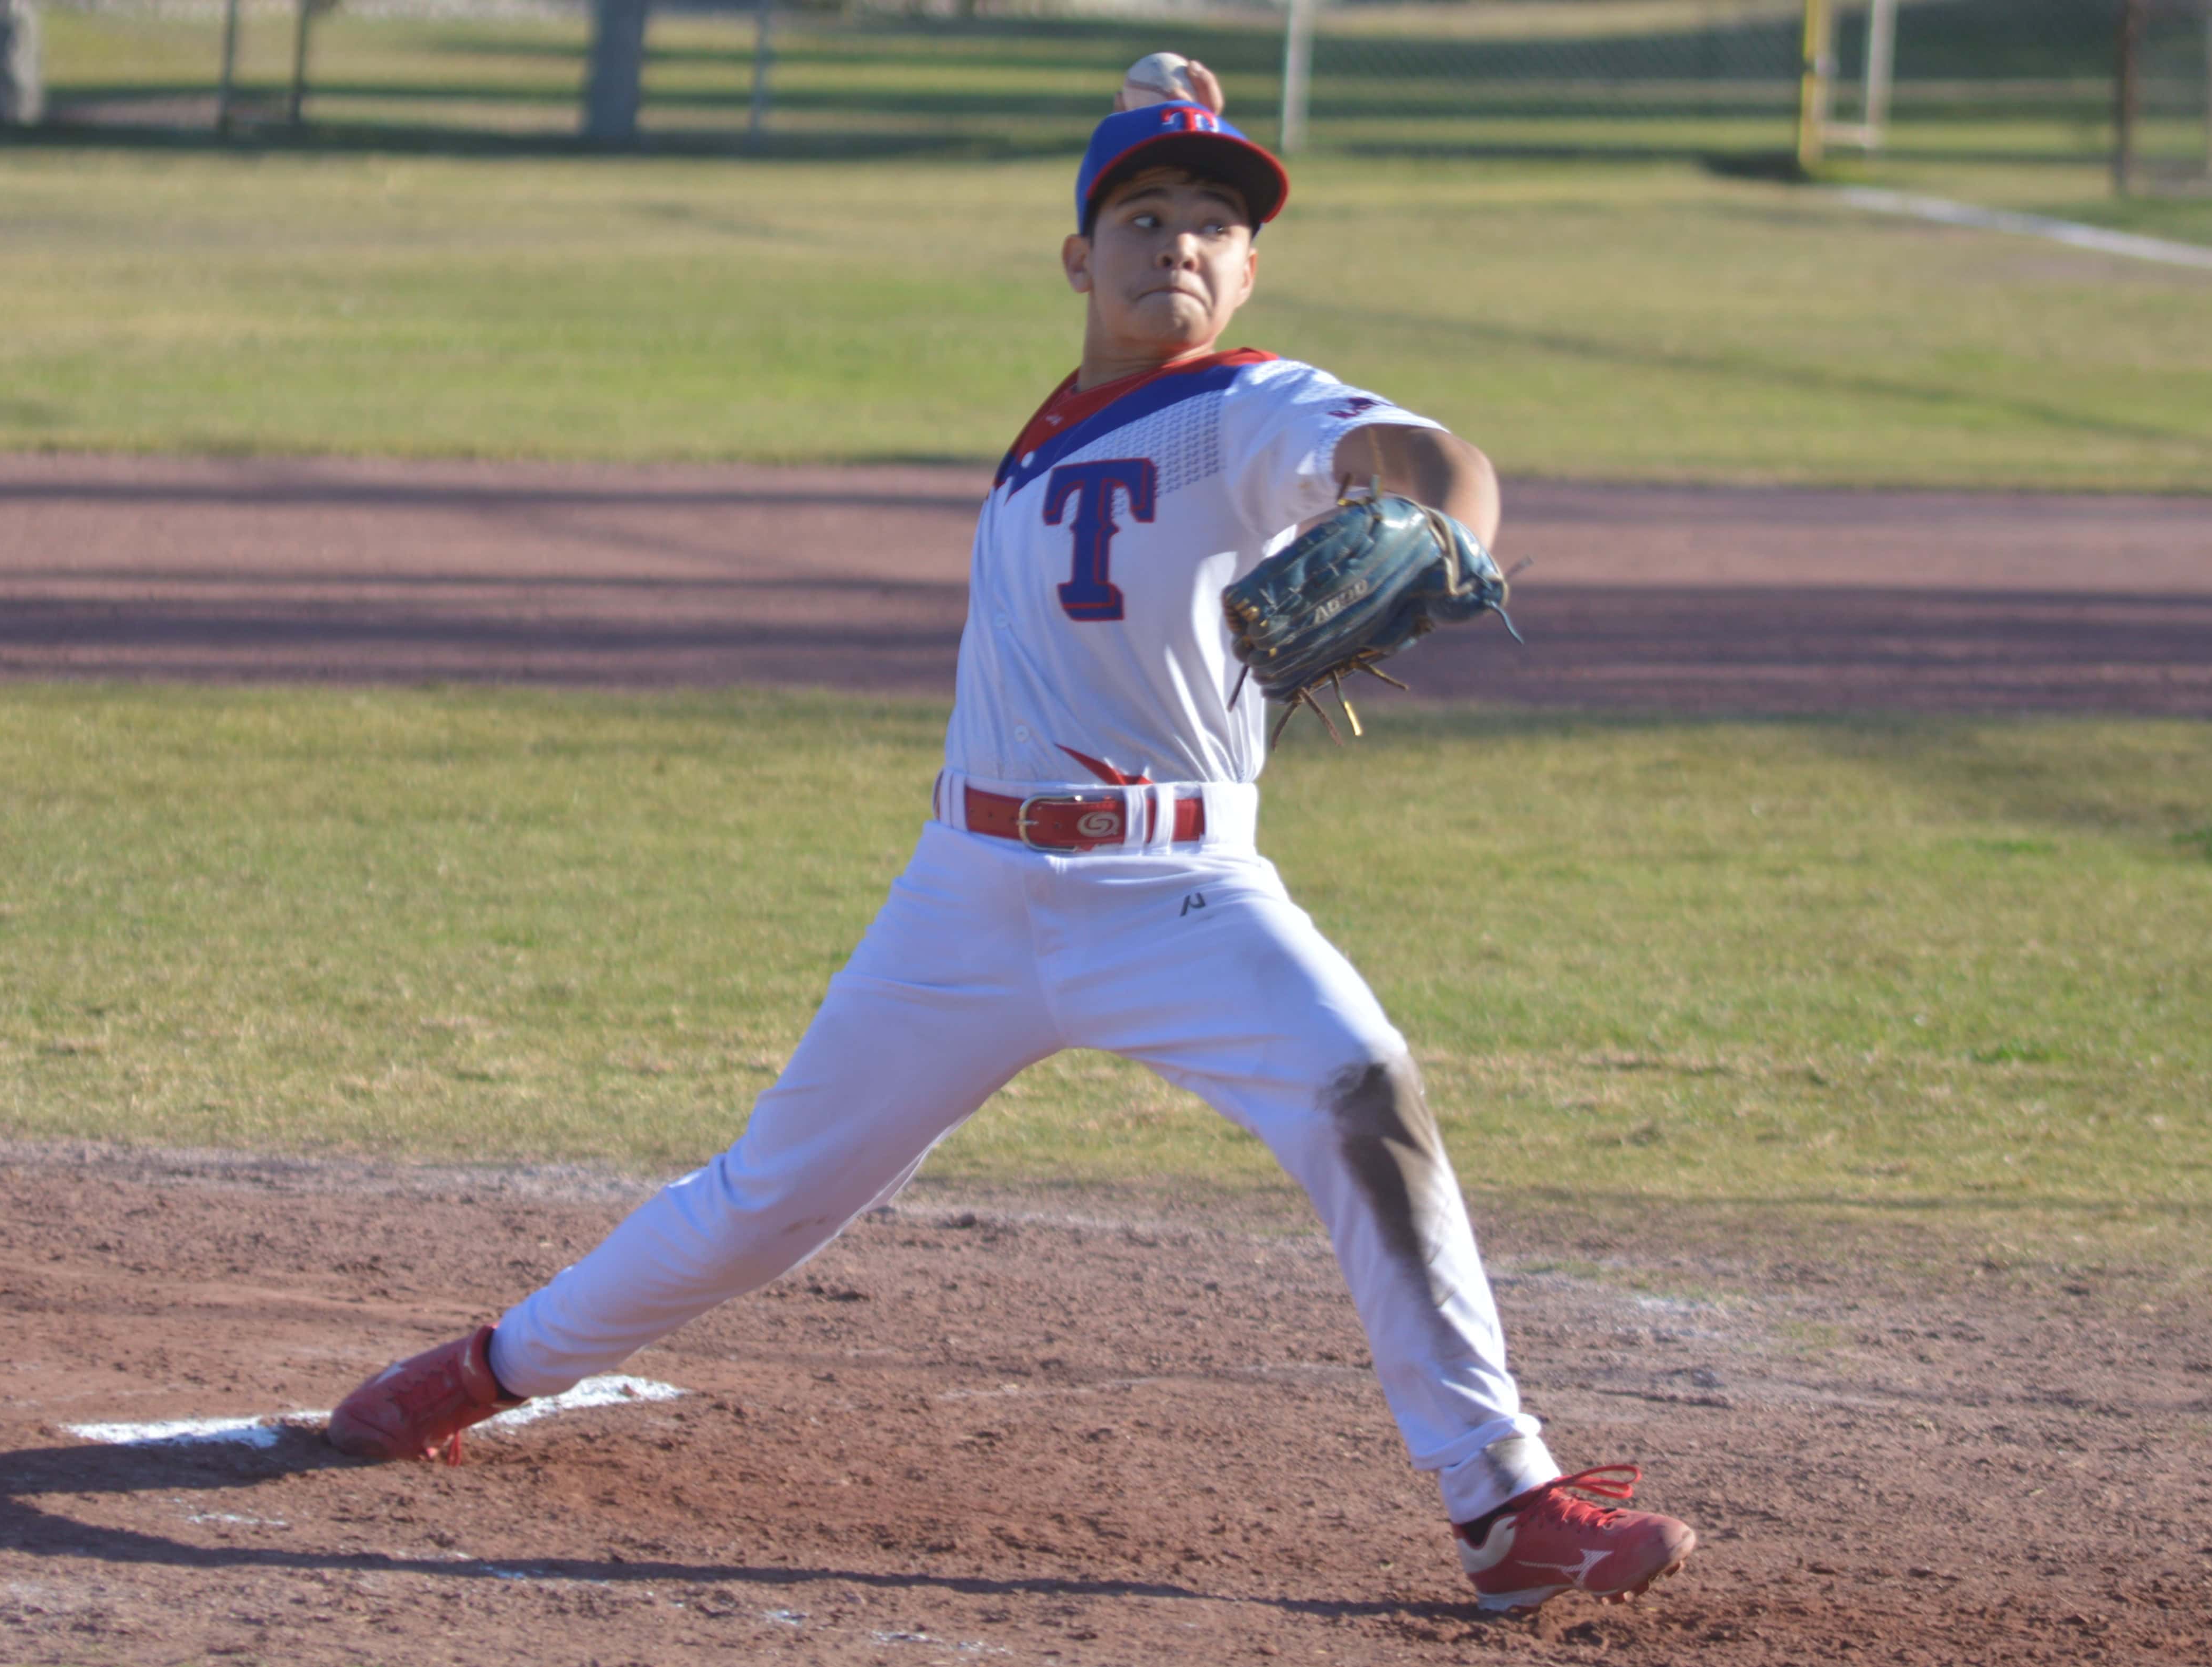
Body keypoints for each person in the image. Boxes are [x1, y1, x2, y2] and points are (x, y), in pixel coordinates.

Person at [325, 62, 1696, 1615]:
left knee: (1359, 1088)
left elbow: (1433, 462)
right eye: (1144, 216)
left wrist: (1445, 523)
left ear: (1251, 274)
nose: (1179, 244)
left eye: (1214, 226)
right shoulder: (1056, 429)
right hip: (964, 900)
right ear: (1077, 259)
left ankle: (1505, 1504)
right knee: (766, 1199)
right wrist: (1148, 100)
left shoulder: (1251, 406)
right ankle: (482, 1370)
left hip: (1178, 890)